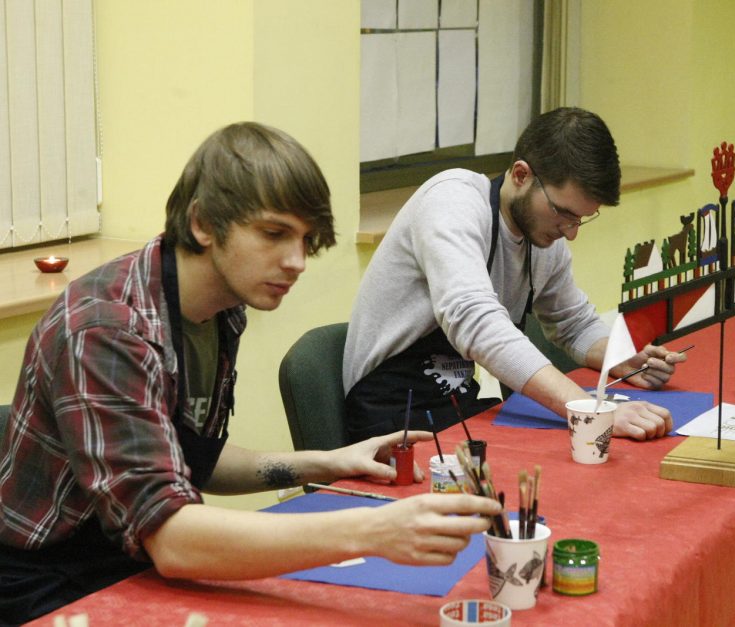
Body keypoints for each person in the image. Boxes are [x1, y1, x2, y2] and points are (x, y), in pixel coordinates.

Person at [0, 122, 501, 625]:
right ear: (203, 224)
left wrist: (326, 462)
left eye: (306, 240)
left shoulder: (220, 309)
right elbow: (172, 539)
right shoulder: (107, 330)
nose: (297, 261)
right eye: (274, 233)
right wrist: (374, 531)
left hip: (131, 561)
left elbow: (190, 455)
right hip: (50, 585)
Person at [344, 107, 688, 443]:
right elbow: (476, 322)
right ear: (521, 175)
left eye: (581, 219)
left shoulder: (542, 237)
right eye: (563, 213)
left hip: (454, 405)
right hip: (390, 420)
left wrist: (622, 358)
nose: (571, 233)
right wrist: (592, 409)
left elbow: (573, 323)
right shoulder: (452, 201)